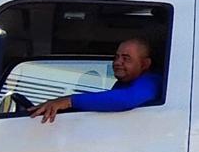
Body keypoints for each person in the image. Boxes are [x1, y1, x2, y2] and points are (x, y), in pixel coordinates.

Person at [30, 38, 160, 123]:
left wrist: (69, 101)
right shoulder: (123, 83)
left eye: (126, 58)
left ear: (144, 64)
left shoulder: (152, 81)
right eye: (116, 57)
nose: (117, 62)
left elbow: (126, 99)